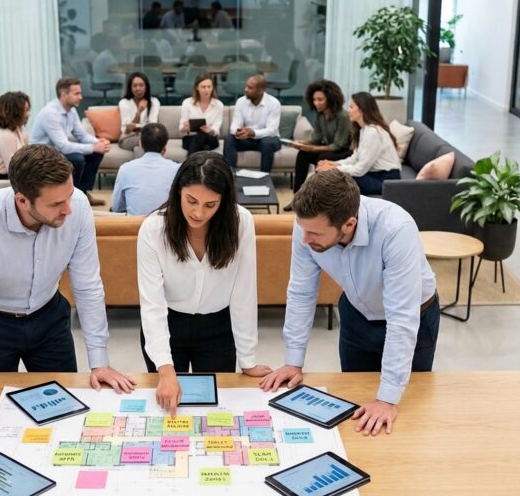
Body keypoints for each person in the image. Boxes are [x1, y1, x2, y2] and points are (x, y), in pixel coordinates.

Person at [0, 144, 137, 438]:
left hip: (49, 319)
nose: (68, 209)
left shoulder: (78, 208)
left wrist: (100, 362)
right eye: (56, 204)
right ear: (22, 200)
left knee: (66, 416)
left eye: (70, 197)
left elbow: (88, 286)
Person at [259, 169, 439, 437]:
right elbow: (301, 290)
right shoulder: (307, 228)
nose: (305, 239)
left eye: (315, 234)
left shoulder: (395, 229)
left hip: (415, 319)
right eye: (303, 229)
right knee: (356, 408)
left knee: (400, 417)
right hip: (356, 314)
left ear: (349, 224)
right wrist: (293, 361)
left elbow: (402, 318)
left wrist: (388, 398)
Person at [138, 151, 271, 416]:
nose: (198, 213)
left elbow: (244, 292)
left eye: (211, 205)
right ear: (178, 192)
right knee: (166, 411)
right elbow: (152, 305)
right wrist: (165, 369)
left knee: (215, 411)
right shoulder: (154, 229)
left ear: (224, 201)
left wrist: (247, 359)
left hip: (218, 329)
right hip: (168, 325)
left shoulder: (241, 222)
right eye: (191, 201)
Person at [29, 77, 109, 206]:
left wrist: (98, 142)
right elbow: (64, 147)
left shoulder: (71, 110)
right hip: (42, 156)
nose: (81, 97)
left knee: (96, 153)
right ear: (64, 95)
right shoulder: (50, 113)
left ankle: (83, 193)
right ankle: (71, 197)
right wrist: (93, 147)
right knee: (77, 159)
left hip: (56, 151)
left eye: (80, 93)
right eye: (76, 93)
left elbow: (81, 134)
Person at [283, 80, 352, 211]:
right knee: (303, 154)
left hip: (344, 152)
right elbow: (317, 139)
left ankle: (316, 200)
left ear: (330, 99)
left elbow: (338, 145)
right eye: (314, 99)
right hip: (328, 149)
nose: (316, 103)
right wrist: (301, 143)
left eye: (320, 99)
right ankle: (297, 198)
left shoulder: (343, 116)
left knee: (322, 156)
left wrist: (312, 148)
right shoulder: (320, 115)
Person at [316, 91, 402, 196]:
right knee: (329, 174)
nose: (349, 111)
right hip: (374, 175)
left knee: (336, 179)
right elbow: (355, 159)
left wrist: (334, 169)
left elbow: (360, 169)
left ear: (362, 109)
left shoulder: (373, 132)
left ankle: (325, 209)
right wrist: (334, 163)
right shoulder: (364, 130)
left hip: (385, 180)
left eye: (351, 107)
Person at [111, 123, 178, 216]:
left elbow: (116, 207)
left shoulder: (125, 169)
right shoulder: (177, 169)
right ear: (165, 147)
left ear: (140, 144)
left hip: (133, 227)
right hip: (165, 226)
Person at [223, 75, 281, 173]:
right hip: (247, 139)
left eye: (250, 88)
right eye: (246, 86)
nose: (246, 90)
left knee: (267, 143)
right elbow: (235, 125)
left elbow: (272, 130)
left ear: (261, 90)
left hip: (268, 139)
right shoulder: (241, 101)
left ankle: (264, 178)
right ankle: (230, 176)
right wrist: (239, 131)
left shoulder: (274, 103)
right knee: (229, 139)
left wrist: (253, 133)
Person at [0, 91, 30, 180]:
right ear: (15, 113)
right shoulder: (6, 136)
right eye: (26, 110)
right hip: (0, 180)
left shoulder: (15, 130)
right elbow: (14, 171)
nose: (29, 114)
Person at [179, 73, 223, 154]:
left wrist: (210, 130)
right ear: (197, 88)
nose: (207, 90)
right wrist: (186, 128)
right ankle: (204, 152)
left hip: (210, 138)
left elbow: (217, 128)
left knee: (202, 135)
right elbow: (181, 127)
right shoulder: (187, 103)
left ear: (212, 88)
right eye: (203, 87)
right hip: (191, 137)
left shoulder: (218, 105)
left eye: (209, 87)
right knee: (199, 141)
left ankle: (190, 164)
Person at [118, 72, 161, 151]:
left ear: (146, 87)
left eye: (141, 85)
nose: (138, 88)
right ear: (130, 88)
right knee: (148, 143)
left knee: (140, 148)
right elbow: (126, 130)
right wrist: (139, 112)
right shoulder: (124, 103)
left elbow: (153, 125)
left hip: (148, 137)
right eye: (134, 86)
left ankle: (141, 162)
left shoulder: (154, 102)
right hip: (128, 137)